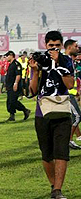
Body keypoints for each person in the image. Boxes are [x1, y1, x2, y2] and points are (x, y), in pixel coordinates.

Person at [29, 31, 73, 199]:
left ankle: (57, 190)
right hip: (43, 111)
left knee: (61, 151)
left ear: (61, 45)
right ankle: (54, 186)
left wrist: (58, 64)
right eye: (50, 46)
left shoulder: (66, 60)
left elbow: (70, 84)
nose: (53, 48)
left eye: (57, 45)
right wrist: (35, 72)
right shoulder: (41, 62)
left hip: (62, 109)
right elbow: (32, 91)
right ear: (45, 45)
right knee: (46, 153)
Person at [63, 39, 81, 150]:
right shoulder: (64, 61)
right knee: (77, 116)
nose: (78, 48)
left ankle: (69, 139)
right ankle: (68, 140)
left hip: (70, 94)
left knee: (72, 117)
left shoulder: (69, 61)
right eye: (76, 46)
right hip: (66, 94)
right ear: (69, 47)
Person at [4, 51, 31, 121]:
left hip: (14, 85)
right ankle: (12, 115)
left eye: (7, 56)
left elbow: (18, 75)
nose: (6, 58)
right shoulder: (10, 64)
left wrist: (15, 83)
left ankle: (25, 110)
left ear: (11, 55)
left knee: (13, 101)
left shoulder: (16, 64)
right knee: (9, 101)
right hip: (9, 86)